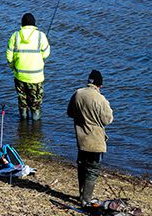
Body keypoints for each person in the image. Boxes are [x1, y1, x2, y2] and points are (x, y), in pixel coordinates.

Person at [67, 70, 113, 207]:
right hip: (96, 142)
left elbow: (70, 113)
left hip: (81, 140)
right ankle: (86, 200)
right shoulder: (101, 99)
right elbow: (107, 120)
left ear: (88, 82)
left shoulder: (78, 93)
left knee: (82, 167)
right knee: (92, 170)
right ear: (100, 85)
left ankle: (82, 195)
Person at [6, 13, 50, 120]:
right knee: (36, 104)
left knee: (22, 101)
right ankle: (35, 126)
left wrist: (13, 68)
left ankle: (23, 122)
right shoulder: (41, 36)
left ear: (22, 24)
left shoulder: (15, 36)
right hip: (36, 77)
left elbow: (9, 56)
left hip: (19, 76)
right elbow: (46, 53)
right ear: (34, 24)